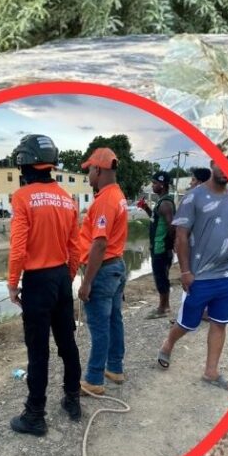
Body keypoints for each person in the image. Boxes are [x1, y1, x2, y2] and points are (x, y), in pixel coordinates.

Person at [6, 134, 82, 436]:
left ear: (24, 163)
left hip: (37, 283)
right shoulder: (67, 198)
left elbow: (18, 248)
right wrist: (68, 276)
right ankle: (72, 400)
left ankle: (35, 415)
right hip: (62, 279)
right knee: (67, 344)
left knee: (38, 352)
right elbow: (75, 247)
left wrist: (13, 283)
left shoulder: (22, 197)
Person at [157, 161, 228, 390]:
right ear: (213, 163)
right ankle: (168, 344)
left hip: (227, 275)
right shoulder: (193, 197)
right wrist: (185, 271)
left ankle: (211, 371)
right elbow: (181, 236)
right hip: (200, 276)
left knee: (219, 323)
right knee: (187, 323)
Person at [76, 147, 129, 397]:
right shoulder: (117, 195)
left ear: (98, 169)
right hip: (116, 266)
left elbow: (99, 243)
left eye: (89, 171)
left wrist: (86, 283)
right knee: (114, 320)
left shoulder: (106, 200)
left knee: (100, 327)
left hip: (103, 270)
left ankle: (94, 379)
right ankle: (115, 368)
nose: (88, 176)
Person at [138, 170, 175, 318]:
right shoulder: (161, 202)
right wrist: (145, 208)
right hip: (158, 247)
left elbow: (172, 226)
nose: (152, 186)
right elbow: (155, 219)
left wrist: (171, 244)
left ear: (162, 185)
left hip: (161, 247)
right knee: (160, 276)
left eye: (155, 183)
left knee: (161, 278)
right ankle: (164, 305)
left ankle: (164, 308)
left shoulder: (166, 203)